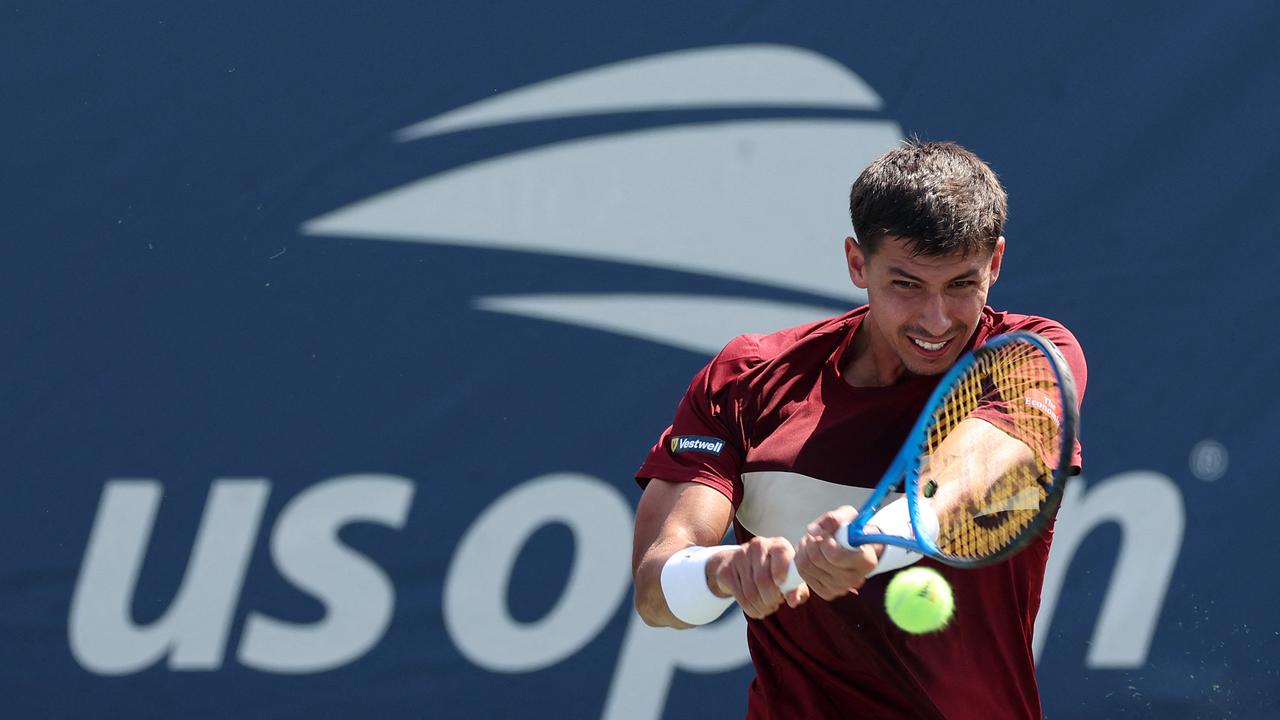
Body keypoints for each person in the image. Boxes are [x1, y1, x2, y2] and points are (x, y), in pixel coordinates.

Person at [631, 140, 1087, 719]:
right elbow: (655, 593)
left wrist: (872, 536)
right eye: (906, 285)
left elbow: (969, 478)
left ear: (994, 264)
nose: (936, 319)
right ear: (856, 263)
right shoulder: (747, 378)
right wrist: (723, 572)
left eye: (960, 285)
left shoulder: (1029, 357)